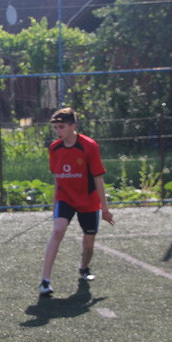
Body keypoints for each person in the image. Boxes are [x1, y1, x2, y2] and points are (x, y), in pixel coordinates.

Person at [39, 107, 114, 296]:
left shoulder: (89, 146)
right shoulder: (55, 148)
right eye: (56, 127)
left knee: (88, 244)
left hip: (88, 201)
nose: (58, 131)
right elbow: (57, 178)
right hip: (66, 198)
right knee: (58, 230)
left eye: (62, 127)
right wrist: (55, 205)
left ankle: (84, 267)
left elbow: (98, 178)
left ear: (73, 126)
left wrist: (105, 209)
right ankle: (45, 281)